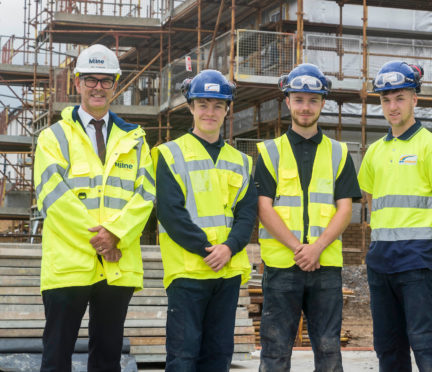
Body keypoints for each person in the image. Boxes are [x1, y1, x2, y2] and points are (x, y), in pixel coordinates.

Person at [33, 44, 155, 371]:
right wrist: (102, 241)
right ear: (77, 83)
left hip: (116, 266)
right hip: (70, 264)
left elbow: (145, 194)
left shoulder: (136, 140)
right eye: (90, 79)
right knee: (56, 357)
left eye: (106, 80)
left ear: (116, 84)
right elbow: (52, 197)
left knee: (107, 359)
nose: (98, 87)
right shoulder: (54, 137)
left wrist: (115, 234)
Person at [255, 63, 361, 372]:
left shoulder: (339, 153)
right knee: (275, 352)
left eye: (313, 100)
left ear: (323, 102)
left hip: (324, 266)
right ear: (287, 101)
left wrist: (315, 248)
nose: (305, 107)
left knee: (329, 351)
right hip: (281, 266)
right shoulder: (269, 152)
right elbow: (264, 208)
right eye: (299, 99)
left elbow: (345, 209)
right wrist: (298, 249)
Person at [154, 69, 256, 371]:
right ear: (191, 107)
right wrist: (207, 249)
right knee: (183, 357)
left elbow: (246, 214)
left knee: (218, 355)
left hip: (226, 274)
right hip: (188, 273)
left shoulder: (242, 161)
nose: (209, 112)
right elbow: (170, 213)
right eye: (203, 104)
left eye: (217, 105)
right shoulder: (168, 155)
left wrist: (229, 248)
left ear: (227, 109)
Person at [357, 61, 432, 372]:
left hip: (416, 262)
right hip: (381, 264)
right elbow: (372, 203)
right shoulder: (374, 152)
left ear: (415, 98)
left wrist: (429, 253)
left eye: (399, 98)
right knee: (388, 348)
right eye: (385, 99)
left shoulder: (431, 147)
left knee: (426, 345)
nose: (392, 106)